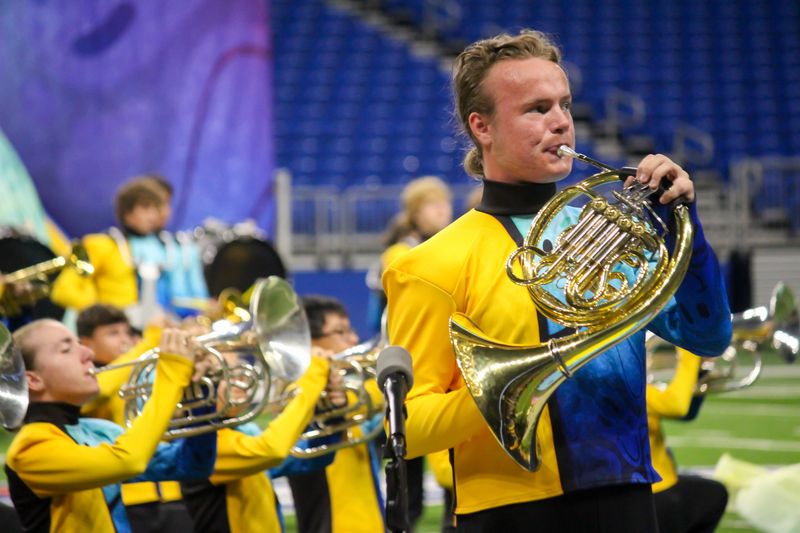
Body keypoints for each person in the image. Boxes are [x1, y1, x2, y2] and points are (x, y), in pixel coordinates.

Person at [382, 29, 732, 532]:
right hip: (509, 513)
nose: (561, 122)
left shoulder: (616, 229)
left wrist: (686, 229)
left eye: (564, 105)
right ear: (482, 126)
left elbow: (709, 336)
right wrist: (509, 390)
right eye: (536, 109)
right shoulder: (428, 264)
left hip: (630, 497)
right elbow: (406, 428)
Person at [4, 319, 215, 532]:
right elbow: (129, 461)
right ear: (33, 380)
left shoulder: (97, 429)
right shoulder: (30, 449)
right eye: (66, 349)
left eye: (80, 344)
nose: (88, 353)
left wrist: (202, 397)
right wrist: (173, 372)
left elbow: (193, 465)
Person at [180, 319, 350, 532]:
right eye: (224, 374)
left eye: (239, 370)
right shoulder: (203, 442)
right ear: (200, 387)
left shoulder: (244, 431)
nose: (242, 381)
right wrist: (312, 379)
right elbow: (272, 449)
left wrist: (330, 412)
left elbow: (311, 459)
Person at [51, 175, 209, 329]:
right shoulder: (101, 244)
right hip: (107, 333)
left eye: (156, 208)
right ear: (127, 211)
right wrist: (102, 315)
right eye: (146, 207)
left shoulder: (154, 247)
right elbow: (63, 291)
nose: (153, 216)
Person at [288, 295, 385, 533]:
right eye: (340, 332)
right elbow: (364, 399)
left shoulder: (349, 390)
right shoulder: (299, 393)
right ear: (310, 343)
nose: (353, 339)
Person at [649, 347, 728, 533]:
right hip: (653, 492)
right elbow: (678, 406)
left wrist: (701, 372)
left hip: (641, 491)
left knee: (711, 493)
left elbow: (686, 413)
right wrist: (691, 350)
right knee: (713, 496)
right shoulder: (628, 390)